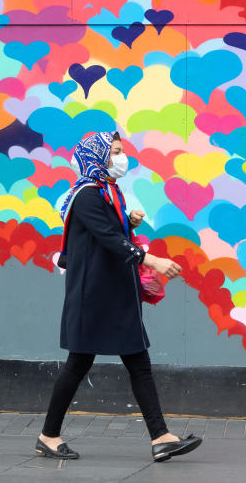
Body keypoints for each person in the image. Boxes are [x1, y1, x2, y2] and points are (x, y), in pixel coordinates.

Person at [35, 131, 202, 462]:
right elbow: (109, 240)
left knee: (138, 362)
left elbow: (110, 231)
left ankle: (161, 437)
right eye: (114, 152)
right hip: (94, 297)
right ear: (97, 157)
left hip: (113, 294)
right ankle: (49, 435)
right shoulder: (87, 196)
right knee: (78, 364)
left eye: (121, 151)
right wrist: (152, 259)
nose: (120, 158)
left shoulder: (108, 193)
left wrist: (129, 219)